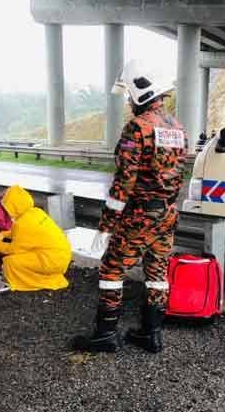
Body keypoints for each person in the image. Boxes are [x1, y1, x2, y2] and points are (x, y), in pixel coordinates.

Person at [72, 59, 186, 354]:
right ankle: (152, 334)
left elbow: (124, 181)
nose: (127, 101)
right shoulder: (178, 127)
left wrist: (107, 224)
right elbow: (178, 176)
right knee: (157, 273)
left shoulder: (137, 128)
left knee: (111, 270)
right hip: (167, 214)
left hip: (139, 215)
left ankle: (105, 335)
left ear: (140, 91)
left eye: (128, 95)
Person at [0, 186, 71, 291]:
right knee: (26, 255)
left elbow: (13, 249)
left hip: (51, 261)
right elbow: (25, 234)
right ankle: (52, 278)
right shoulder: (36, 212)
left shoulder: (22, 224)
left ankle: (30, 283)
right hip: (62, 257)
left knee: (10, 262)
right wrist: (5, 234)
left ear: (13, 206)